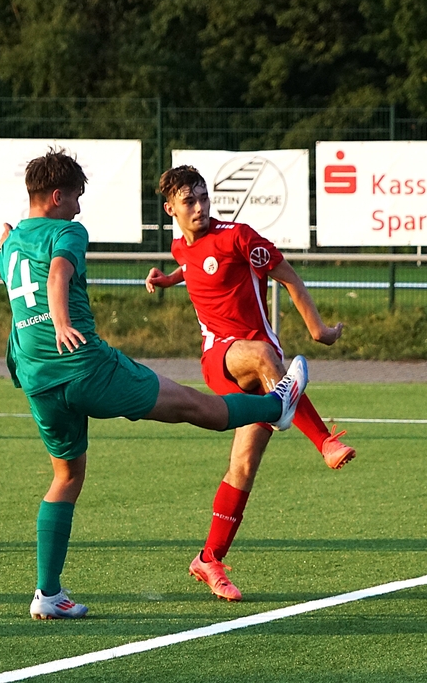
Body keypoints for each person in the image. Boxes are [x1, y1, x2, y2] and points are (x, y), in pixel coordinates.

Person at [0, 148, 308, 620]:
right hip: (85, 365)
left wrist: (4, 247)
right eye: (75, 197)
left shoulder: (14, 242)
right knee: (194, 406)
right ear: (57, 197)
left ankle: (48, 594)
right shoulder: (67, 231)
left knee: (66, 477)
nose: (78, 207)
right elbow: (58, 273)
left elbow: (4, 268)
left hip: (37, 376)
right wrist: (60, 321)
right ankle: (275, 407)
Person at [145, 165, 356, 602]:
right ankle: (322, 441)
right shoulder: (179, 246)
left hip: (265, 373)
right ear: (171, 210)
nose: (200, 207)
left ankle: (209, 559)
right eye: (189, 201)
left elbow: (288, 276)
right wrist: (167, 280)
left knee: (242, 466)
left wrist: (318, 330)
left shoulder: (239, 237)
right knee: (262, 354)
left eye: (204, 197)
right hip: (222, 360)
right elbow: (191, 266)